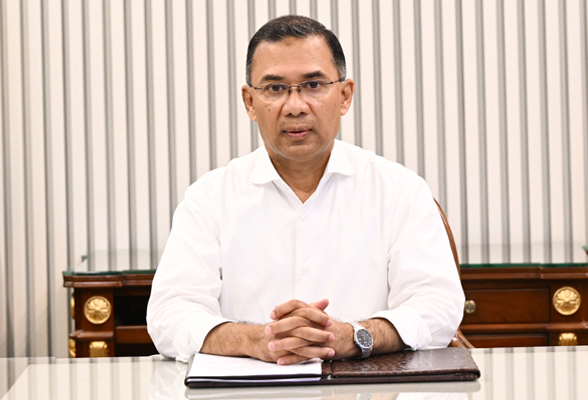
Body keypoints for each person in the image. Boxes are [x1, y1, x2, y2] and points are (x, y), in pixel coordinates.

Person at [146, 15, 464, 365]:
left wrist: (354, 336)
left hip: (367, 387)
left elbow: (438, 306)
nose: (295, 106)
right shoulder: (209, 198)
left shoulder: (399, 190)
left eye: (313, 85)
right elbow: (169, 315)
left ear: (344, 96)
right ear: (250, 102)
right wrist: (256, 340)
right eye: (275, 88)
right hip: (246, 388)